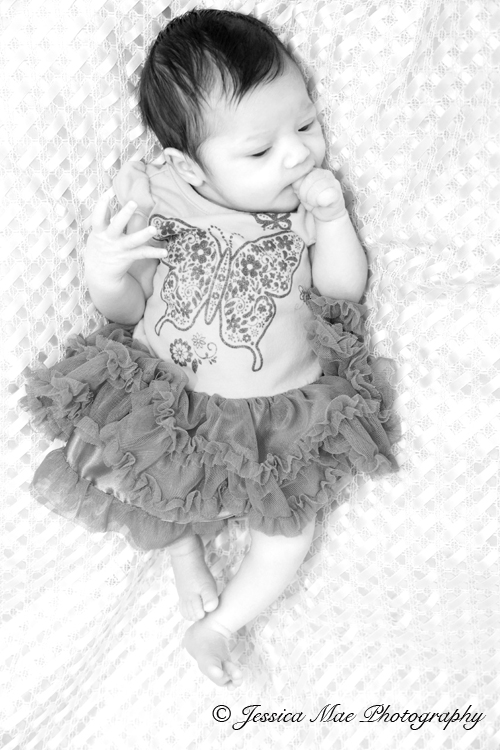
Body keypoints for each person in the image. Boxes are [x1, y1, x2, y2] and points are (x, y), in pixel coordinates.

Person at [22, 9, 399, 688]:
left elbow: (343, 291)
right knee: (140, 476)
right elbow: (125, 309)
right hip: (173, 402)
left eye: (306, 125)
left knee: (290, 530)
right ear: (186, 166)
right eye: (259, 151)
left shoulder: (304, 208)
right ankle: (184, 553)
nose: (298, 155)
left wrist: (334, 216)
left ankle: (220, 625)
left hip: (277, 414)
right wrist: (105, 269)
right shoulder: (160, 197)